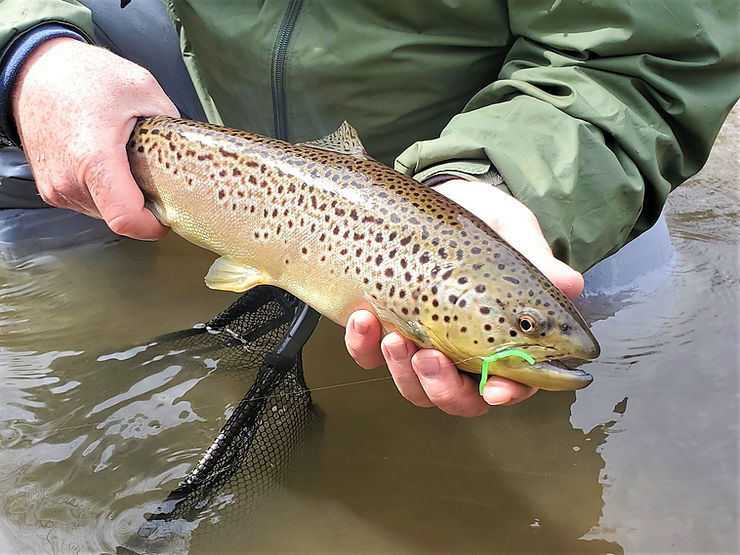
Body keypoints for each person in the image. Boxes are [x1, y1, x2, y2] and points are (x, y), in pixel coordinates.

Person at [0, 0, 737, 417]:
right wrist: (30, 52)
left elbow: (645, 57)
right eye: (520, 327)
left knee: (634, 299)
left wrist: (503, 183)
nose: (531, 337)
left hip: (493, 139)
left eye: (519, 328)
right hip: (200, 68)